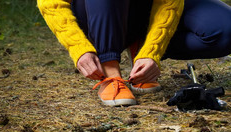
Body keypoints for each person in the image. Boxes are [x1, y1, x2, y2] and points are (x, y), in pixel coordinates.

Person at [37, 0, 231, 106]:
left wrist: (151, 50)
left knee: (226, 30)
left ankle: (139, 51)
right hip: (94, 10)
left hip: (151, 8)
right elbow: (50, 3)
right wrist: (78, 48)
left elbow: (168, 3)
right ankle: (111, 72)